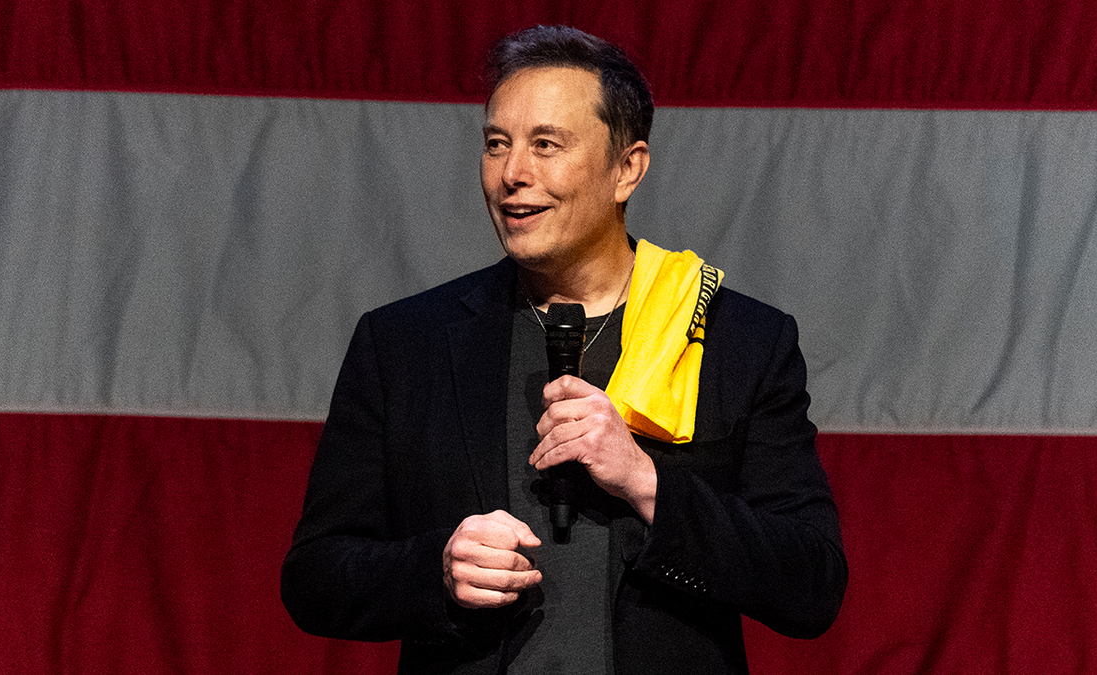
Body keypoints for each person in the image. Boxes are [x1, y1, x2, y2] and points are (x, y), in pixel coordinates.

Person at [281, 25, 847, 675]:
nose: (513, 174)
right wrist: (433, 567)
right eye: (497, 144)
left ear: (626, 168)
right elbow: (314, 577)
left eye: (546, 145)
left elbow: (813, 585)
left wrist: (646, 482)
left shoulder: (738, 340)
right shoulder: (404, 344)